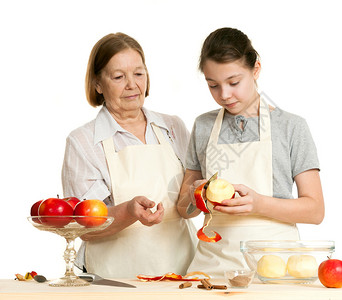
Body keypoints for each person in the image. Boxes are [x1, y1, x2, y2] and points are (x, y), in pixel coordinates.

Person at [177, 27, 324, 277]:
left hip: (274, 267)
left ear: (255, 69)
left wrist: (258, 203)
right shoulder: (203, 126)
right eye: (213, 85)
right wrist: (194, 196)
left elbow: (315, 210)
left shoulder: (291, 127)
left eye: (234, 82)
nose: (224, 95)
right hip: (212, 268)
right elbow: (183, 209)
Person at [62, 32, 196, 278]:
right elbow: (83, 227)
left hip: (181, 273)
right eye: (118, 77)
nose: (132, 84)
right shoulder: (83, 142)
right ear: (98, 84)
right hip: (111, 279)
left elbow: (186, 207)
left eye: (138, 73)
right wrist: (128, 212)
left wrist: (200, 196)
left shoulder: (174, 128)